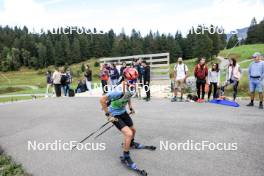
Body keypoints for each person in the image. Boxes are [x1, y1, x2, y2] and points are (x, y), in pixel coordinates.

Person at [100, 67, 141, 169]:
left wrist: (130, 107)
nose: (134, 82)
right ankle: (126, 157)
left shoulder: (132, 86)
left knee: (133, 130)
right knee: (128, 133)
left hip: (123, 111)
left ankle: (130, 144)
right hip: (114, 114)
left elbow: (128, 96)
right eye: (132, 80)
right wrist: (108, 115)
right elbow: (102, 99)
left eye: (135, 80)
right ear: (125, 79)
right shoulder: (118, 90)